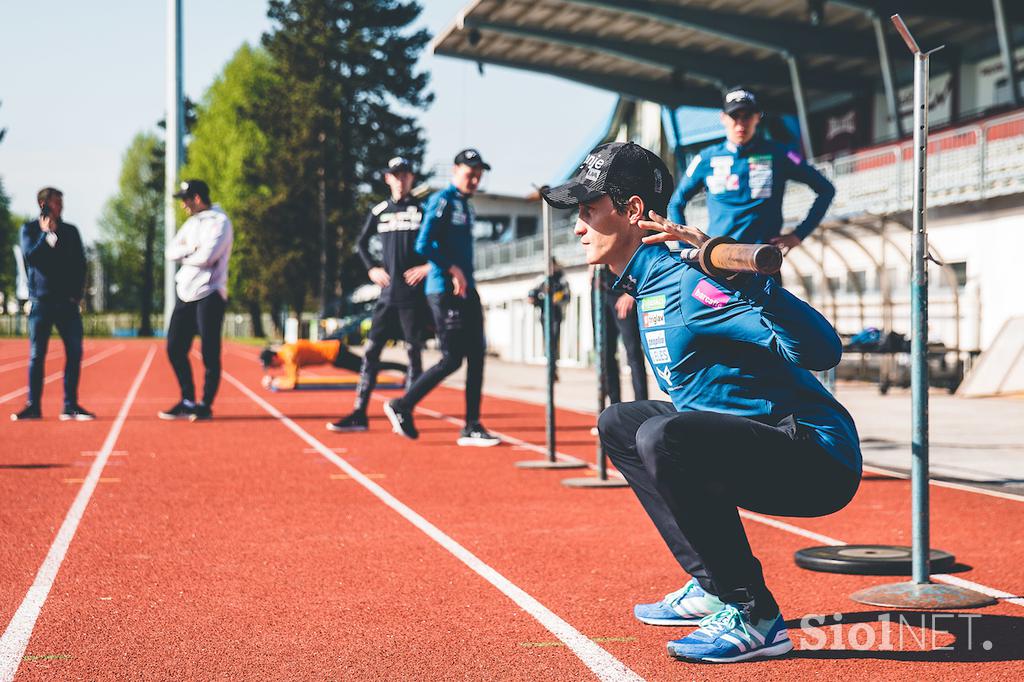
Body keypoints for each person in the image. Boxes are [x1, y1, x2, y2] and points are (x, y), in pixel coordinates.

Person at [541, 141, 861, 663]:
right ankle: (713, 584)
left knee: (662, 437)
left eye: (588, 210)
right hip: (754, 438)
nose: (578, 227)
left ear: (633, 212)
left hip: (817, 456)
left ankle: (755, 615)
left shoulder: (691, 284)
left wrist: (752, 283)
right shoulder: (645, 285)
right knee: (620, 422)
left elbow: (823, 351)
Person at [382, 149, 501, 447]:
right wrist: (452, 269)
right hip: (444, 290)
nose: (474, 179)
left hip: (466, 290)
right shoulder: (443, 201)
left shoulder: (465, 205)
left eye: (478, 174)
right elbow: (423, 244)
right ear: (455, 170)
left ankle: (472, 425)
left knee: (476, 356)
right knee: (451, 358)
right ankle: (402, 404)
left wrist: (464, 276)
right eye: (469, 173)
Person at [327, 157, 430, 432]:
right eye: (395, 175)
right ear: (388, 179)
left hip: (412, 298)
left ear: (411, 178)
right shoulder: (380, 210)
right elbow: (360, 243)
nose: (400, 179)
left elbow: (439, 243)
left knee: (414, 356)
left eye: (405, 175)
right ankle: (359, 413)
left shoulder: (422, 209)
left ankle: (405, 411)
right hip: (386, 297)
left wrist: (428, 267)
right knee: (371, 353)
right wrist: (372, 269)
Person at [668, 86, 835, 252]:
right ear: (723, 118)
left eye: (747, 116)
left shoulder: (780, 154)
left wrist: (798, 235)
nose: (741, 123)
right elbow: (676, 202)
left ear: (758, 116)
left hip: (763, 261)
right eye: (734, 115)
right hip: (718, 261)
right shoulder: (706, 158)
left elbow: (826, 189)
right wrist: (686, 247)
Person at [11, 188, 94, 421]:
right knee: (37, 355)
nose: (61, 207)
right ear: (43, 204)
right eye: (57, 203)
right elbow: (32, 258)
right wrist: (46, 235)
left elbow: (80, 264)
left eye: (62, 203)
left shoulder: (70, 231)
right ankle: (33, 406)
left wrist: (77, 295)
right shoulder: (29, 230)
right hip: (41, 302)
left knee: (75, 352)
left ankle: (70, 405)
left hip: (67, 304)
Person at [159, 180, 233, 422]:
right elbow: (170, 251)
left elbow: (208, 257)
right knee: (174, 348)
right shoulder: (192, 224)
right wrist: (192, 249)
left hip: (210, 294)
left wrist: (187, 253)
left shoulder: (220, 223)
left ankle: (205, 404)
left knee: (210, 352)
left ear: (197, 198)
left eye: (185, 199)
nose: (183, 205)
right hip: (185, 293)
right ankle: (187, 399)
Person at [261, 334, 406, 391]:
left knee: (369, 367)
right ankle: (405, 370)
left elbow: (292, 382)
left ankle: (406, 369)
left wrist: (275, 382)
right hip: (334, 353)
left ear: (274, 358)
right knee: (367, 368)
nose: (273, 368)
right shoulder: (286, 351)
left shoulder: (289, 356)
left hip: (335, 353)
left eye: (271, 365)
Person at [596, 265, 647, 404]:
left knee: (633, 351)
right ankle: (614, 405)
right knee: (605, 353)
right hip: (600, 288)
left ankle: (640, 406)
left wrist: (631, 293)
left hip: (623, 288)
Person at [527, 258, 570, 379]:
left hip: (556, 316)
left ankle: (553, 368)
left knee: (554, 343)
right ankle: (550, 368)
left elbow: (567, 297)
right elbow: (531, 295)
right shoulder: (541, 280)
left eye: (552, 265)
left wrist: (558, 299)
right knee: (548, 343)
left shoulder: (562, 279)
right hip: (545, 316)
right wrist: (534, 298)